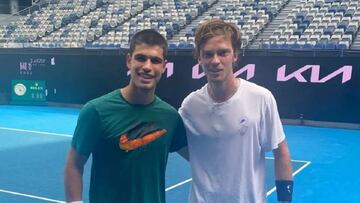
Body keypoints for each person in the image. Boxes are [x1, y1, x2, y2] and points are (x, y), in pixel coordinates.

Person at [64, 29, 187, 203]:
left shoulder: (170, 117)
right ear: (129, 61)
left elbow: (199, 158)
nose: (147, 67)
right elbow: (74, 164)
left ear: (164, 67)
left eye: (155, 61)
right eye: (141, 58)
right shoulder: (96, 111)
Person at [178, 19, 294, 203]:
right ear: (199, 58)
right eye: (208, 54)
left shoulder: (261, 98)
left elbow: (281, 153)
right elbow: (182, 146)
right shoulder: (190, 106)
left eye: (223, 53)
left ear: (235, 56)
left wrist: (285, 200)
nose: (215, 61)